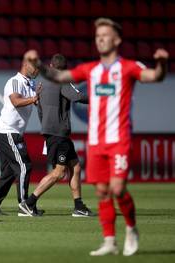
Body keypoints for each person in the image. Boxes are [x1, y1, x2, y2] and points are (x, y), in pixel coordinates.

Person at [35, 18, 169, 256]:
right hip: (96, 141)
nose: (101, 39)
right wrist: (38, 65)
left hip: (119, 139)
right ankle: (109, 240)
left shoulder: (128, 67)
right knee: (102, 192)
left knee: (117, 188)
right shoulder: (90, 70)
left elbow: (155, 76)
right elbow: (58, 77)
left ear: (116, 40)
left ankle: (130, 228)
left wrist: (161, 65)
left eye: (105, 35)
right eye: (98, 36)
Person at [19, 54, 95, 218]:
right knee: (59, 172)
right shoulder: (61, 81)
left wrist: (46, 126)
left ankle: (79, 205)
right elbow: (77, 96)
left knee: (75, 166)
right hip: (59, 132)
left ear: (51, 65)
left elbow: (39, 107)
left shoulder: (40, 83)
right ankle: (29, 203)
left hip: (51, 130)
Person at [0, 50, 41, 217]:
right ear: (26, 64)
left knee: (9, 172)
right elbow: (15, 101)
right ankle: (24, 205)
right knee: (24, 166)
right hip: (7, 131)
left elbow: (33, 103)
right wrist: (34, 99)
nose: (37, 70)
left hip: (14, 132)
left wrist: (39, 101)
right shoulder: (15, 81)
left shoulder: (31, 84)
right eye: (35, 66)